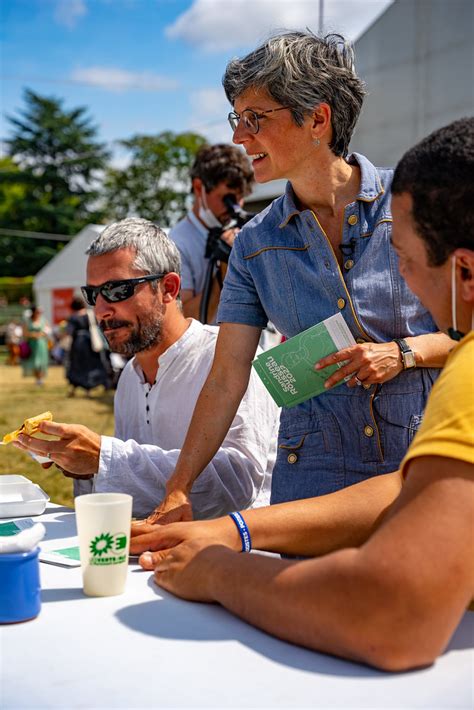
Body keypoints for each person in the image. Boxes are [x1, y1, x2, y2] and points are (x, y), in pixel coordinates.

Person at [130, 117, 474, 671]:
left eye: (404, 260)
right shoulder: (256, 244)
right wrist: (229, 526)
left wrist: (220, 567)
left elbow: (391, 616)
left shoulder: (466, 378)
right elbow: (406, 490)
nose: (241, 137)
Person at [151, 30, 453, 524]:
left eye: (254, 118)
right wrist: (179, 488)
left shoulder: (417, 202)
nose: (238, 137)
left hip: (420, 466)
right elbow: (226, 378)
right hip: (310, 479)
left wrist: (404, 352)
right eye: (236, 118)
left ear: (317, 118)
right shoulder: (253, 245)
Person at [14, 218, 278, 520]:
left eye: (116, 290)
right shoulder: (130, 376)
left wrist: (105, 459)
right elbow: (139, 490)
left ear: (168, 288)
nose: (101, 310)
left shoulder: (227, 358)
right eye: (93, 295)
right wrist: (84, 467)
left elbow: (238, 486)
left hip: (236, 557)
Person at [170, 143, 254, 321]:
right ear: (199, 188)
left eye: (241, 198)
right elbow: (184, 319)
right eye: (228, 197)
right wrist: (224, 271)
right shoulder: (177, 243)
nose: (236, 207)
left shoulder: (242, 232)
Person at [65, 296, 111, 397]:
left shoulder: (73, 317)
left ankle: (74, 387)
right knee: (91, 364)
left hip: (78, 344)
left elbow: (69, 331)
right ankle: (89, 388)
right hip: (90, 342)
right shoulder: (90, 314)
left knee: (77, 365)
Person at [22, 305, 50, 385]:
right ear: (34, 312)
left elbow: (47, 330)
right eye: (38, 311)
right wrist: (33, 335)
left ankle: (40, 378)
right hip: (32, 344)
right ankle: (37, 378)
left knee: (42, 362)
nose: (39, 313)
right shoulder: (28, 321)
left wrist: (42, 334)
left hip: (41, 344)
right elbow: (25, 333)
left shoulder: (43, 320)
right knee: (35, 362)